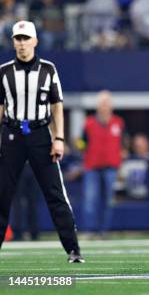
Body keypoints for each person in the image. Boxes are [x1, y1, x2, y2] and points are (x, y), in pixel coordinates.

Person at [0, 21, 83, 262]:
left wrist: (59, 138)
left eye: (26, 38)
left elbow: (57, 106)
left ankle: (73, 249)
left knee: (55, 193)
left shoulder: (48, 69)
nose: (22, 43)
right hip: (12, 135)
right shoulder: (4, 72)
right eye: (18, 39)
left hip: (39, 135)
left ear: (35, 41)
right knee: (3, 195)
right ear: (13, 42)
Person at [81, 90, 125, 235]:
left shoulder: (118, 123)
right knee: (90, 199)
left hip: (111, 167)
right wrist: (79, 146)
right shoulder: (89, 123)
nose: (105, 106)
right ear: (98, 106)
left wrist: (121, 160)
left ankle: (103, 230)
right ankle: (90, 229)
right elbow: (82, 143)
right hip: (92, 166)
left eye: (107, 103)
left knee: (108, 201)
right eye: (102, 103)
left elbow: (123, 143)